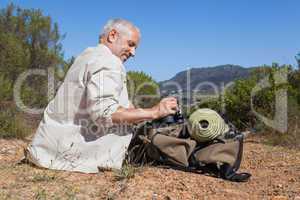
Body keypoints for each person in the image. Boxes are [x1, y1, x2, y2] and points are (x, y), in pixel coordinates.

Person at [26, 18, 178, 173]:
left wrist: (134, 111)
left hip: (49, 150)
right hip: (75, 156)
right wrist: (155, 112)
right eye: (131, 44)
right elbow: (104, 113)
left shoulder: (86, 56)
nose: (133, 53)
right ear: (112, 35)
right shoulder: (109, 62)